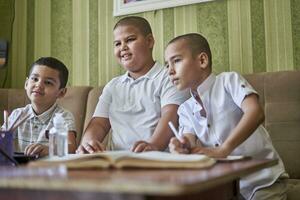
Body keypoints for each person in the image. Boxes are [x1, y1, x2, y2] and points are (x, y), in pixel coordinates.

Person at [165, 33, 288, 200]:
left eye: (176, 60)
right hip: (226, 188)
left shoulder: (229, 81)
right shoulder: (185, 109)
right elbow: (189, 142)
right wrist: (181, 147)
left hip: (265, 181)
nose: (170, 71)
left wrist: (224, 149)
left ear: (202, 60)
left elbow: (255, 112)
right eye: (166, 65)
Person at [77, 16, 188, 153]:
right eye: (117, 43)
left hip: (155, 157)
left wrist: (153, 145)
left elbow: (170, 116)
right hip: (117, 160)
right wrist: (87, 145)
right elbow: (98, 123)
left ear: (149, 41)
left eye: (130, 40)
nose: (123, 47)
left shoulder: (169, 76)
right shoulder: (113, 86)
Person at [6, 57, 77, 157]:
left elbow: (72, 147)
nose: (38, 85)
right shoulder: (17, 115)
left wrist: (50, 149)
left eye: (48, 82)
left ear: (61, 93)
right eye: (35, 79)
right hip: (19, 168)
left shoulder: (63, 117)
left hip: (49, 169)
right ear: (26, 84)